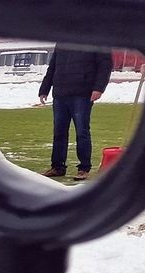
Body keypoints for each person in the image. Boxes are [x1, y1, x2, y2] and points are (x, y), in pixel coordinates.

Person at [38, 46, 112, 181]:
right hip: (60, 94)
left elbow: (105, 66)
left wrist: (99, 88)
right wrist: (44, 89)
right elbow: (52, 67)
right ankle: (57, 167)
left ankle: (84, 168)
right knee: (59, 133)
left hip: (82, 94)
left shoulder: (97, 38)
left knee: (82, 132)